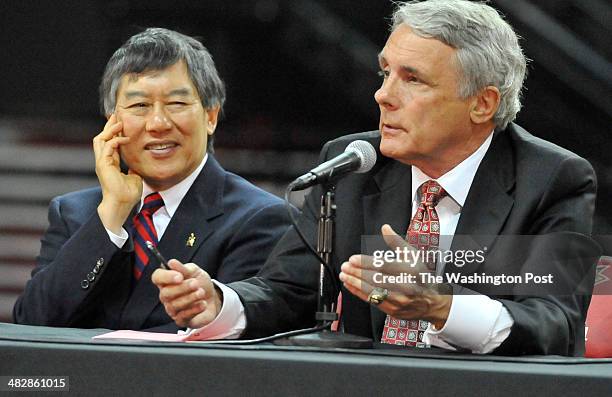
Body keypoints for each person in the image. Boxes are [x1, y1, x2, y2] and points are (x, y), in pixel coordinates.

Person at [152, 0, 599, 355]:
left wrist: (440, 307)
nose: (383, 95)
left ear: (482, 104)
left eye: (413, 80)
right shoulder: (353, 164)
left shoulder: (552, 179)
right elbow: (288, 289)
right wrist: (219, 303)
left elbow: (554, 323)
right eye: (386, 72)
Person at [13, 28, 291, 332]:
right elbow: (32, 324)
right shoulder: (74, 213)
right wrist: (111, 216)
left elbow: (239, 343)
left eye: (176, 104)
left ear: (210, 117)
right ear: (112, 124)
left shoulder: (260, 218)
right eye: (139, 106)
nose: (158, 123)